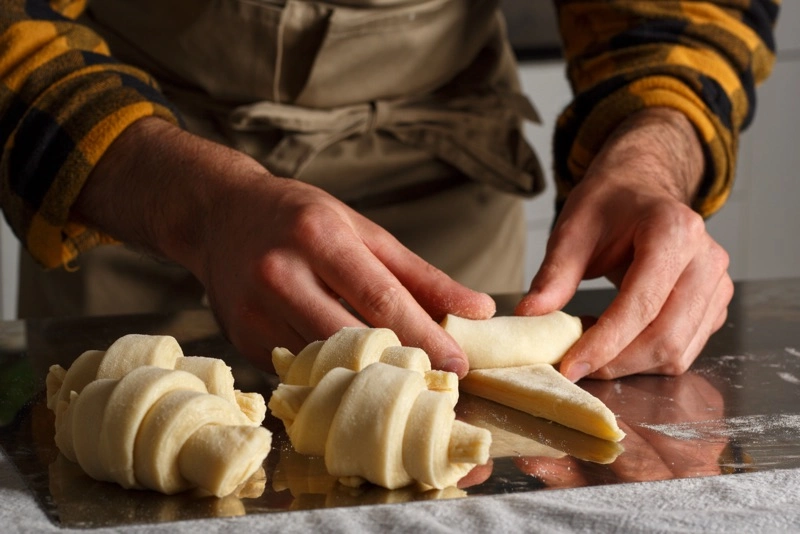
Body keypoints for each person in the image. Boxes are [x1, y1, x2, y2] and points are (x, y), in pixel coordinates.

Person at [0, 1, 779, 381]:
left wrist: (652, 152)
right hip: (137, 184)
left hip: (446, 186)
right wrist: (201, 210)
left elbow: (683, 13)